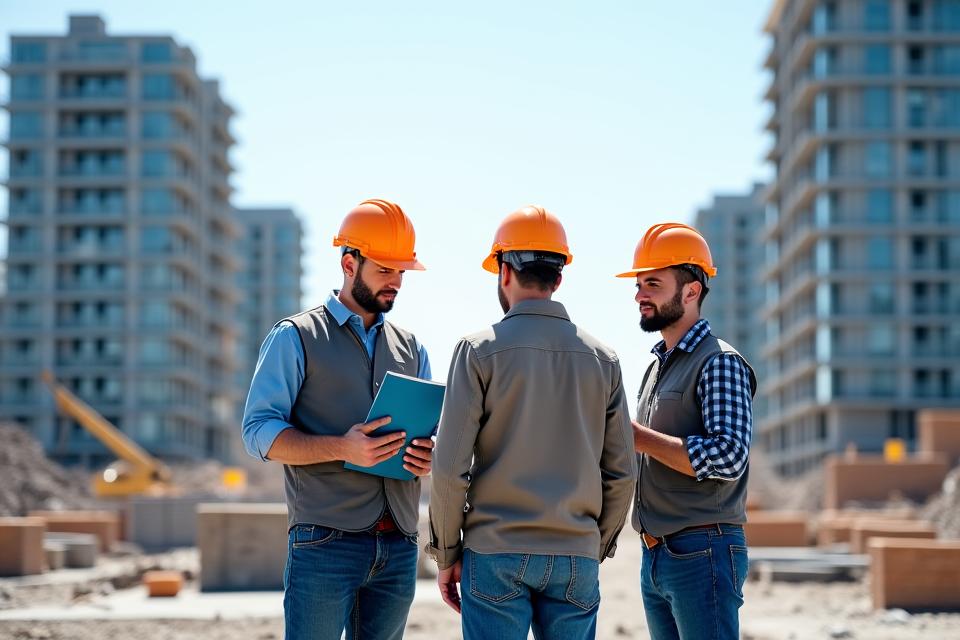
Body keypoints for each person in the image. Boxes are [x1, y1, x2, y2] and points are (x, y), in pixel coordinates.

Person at [427, 205, 637, 640]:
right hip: (576, 554)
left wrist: (446, 553)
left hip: (495, 552)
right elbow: (622, 473)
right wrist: (591, 546)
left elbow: (449, 468)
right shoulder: (605, 360)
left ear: (504, 271)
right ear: (558, 278)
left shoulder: (477, 351)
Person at [241, 199, 435, 640]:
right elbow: (258, 432)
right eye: (385, 270)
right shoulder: (295, 336)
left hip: (399, 544)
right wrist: (342, 447)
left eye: (402, 272)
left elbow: (430, 436)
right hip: (324, 544)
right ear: (350, 264)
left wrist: (428, 455)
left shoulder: (413, 348)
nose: (396, 282)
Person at [615, 223, 757, 640]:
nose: (640, 295)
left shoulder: (720, 362)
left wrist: (638, 436)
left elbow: (730, 456)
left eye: (653, 284)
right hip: (657, 554)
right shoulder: (656, 368)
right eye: (639, 285)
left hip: (703, 551)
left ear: (692, 291)